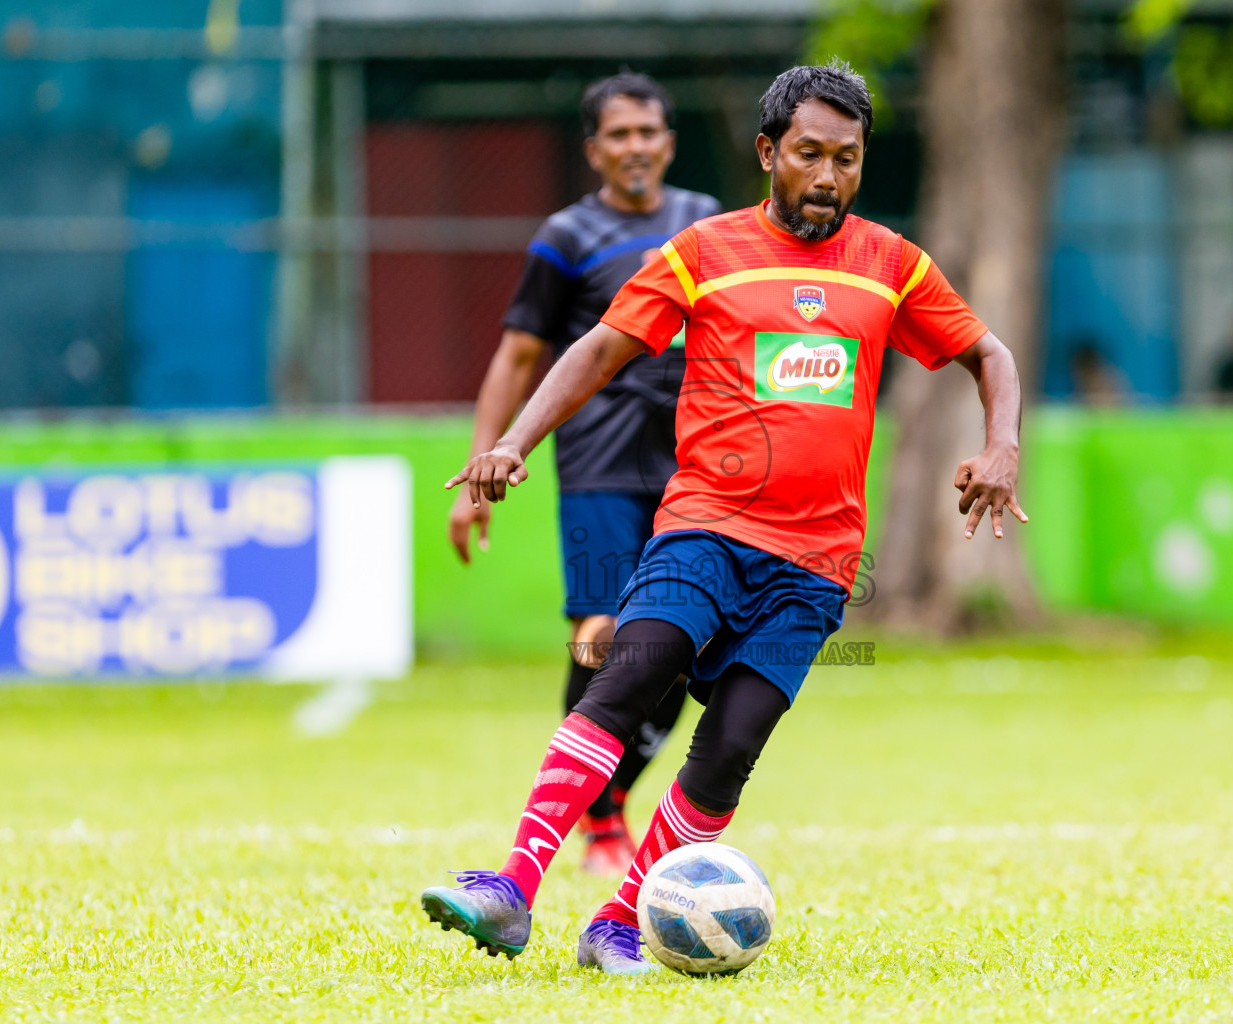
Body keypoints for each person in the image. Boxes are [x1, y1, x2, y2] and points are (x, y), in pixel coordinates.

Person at [421, 62, 1027, 973]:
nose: (828, 177)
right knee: (625, 679)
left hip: (817, 564)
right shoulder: (703, 251)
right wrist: (512, 441)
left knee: (729, 748)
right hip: (704, 528)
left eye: (848, 160)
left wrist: (1002, 442)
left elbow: (989, 353)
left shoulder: (891, 264)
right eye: (810, 155)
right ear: (767, 152)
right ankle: (512, 886)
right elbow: (596, 351)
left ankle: (620, 920)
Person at [446, 73, 722, 876]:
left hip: (692, 468)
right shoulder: (565, 237)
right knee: (604, 639)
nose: (635, 147)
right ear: (593, 148)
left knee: (681, 644)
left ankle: (611, 797)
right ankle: (599, 819)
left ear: (668, 142)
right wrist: (479, 470)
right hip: (599, 463)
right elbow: (519, 356)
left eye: (648, 132)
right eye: (619, 134)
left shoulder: (705, 223)